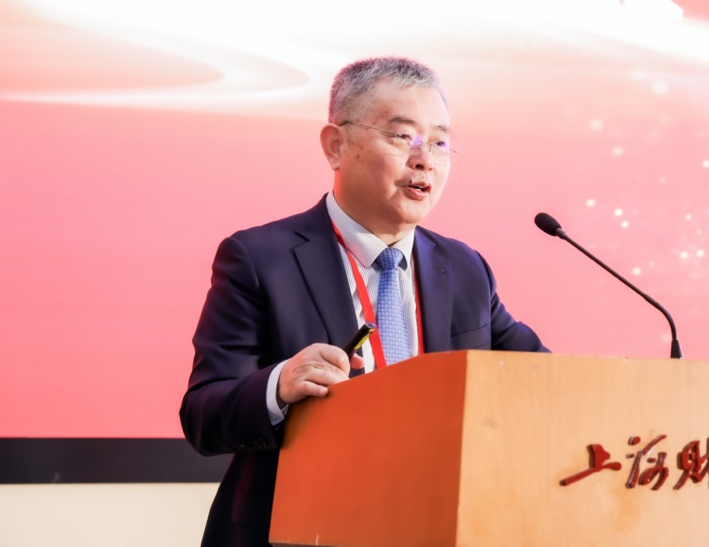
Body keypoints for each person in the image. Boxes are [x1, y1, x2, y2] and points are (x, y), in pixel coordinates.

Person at [180, 57, 548, 547]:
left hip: (434, 527)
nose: (425, 159)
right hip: (298, 531)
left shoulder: (464, 269)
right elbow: (202, 416)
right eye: (402, 136)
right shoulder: (260, 259)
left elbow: (542, 378)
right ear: (336, 146)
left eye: (439, 142)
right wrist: (278, 386)